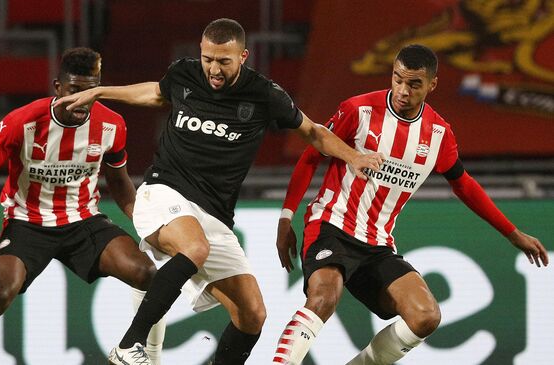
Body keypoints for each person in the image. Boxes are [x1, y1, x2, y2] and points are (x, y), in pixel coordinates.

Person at [54, 18, 383, 365]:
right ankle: (128, 345)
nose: (213, 68)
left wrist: (353, 156)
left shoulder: (263, 94)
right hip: (163, 192)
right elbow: (155, 93)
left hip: (213, 216)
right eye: (208, 58)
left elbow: (313, 132)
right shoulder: (184, 74)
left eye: (223, 61)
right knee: (195, 246)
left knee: (252, 313)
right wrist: (99, 91)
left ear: (243, 56)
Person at [271, 44, 549, 365]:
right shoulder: (358, 110)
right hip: (331, 225)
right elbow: (310, 156)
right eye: (397, 79)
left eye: (414, 84)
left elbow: (465, 186)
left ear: (432, 85)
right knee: (324, 295)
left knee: (425, 316)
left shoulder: (439, 134)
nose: (403, 90)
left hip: (377, 244)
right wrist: (285, 216)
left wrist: (512, 233)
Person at [0, 47, 165, 365]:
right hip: (27, 221)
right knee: (1, 292)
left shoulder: (112, 125)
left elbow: (121, 184)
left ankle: (150, 359)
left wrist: (149, 225)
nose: (81, 101)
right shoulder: (22, 122)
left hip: (83, 219)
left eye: (90, 92)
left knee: (148, 274)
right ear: (58, 87)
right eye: (74, 91)